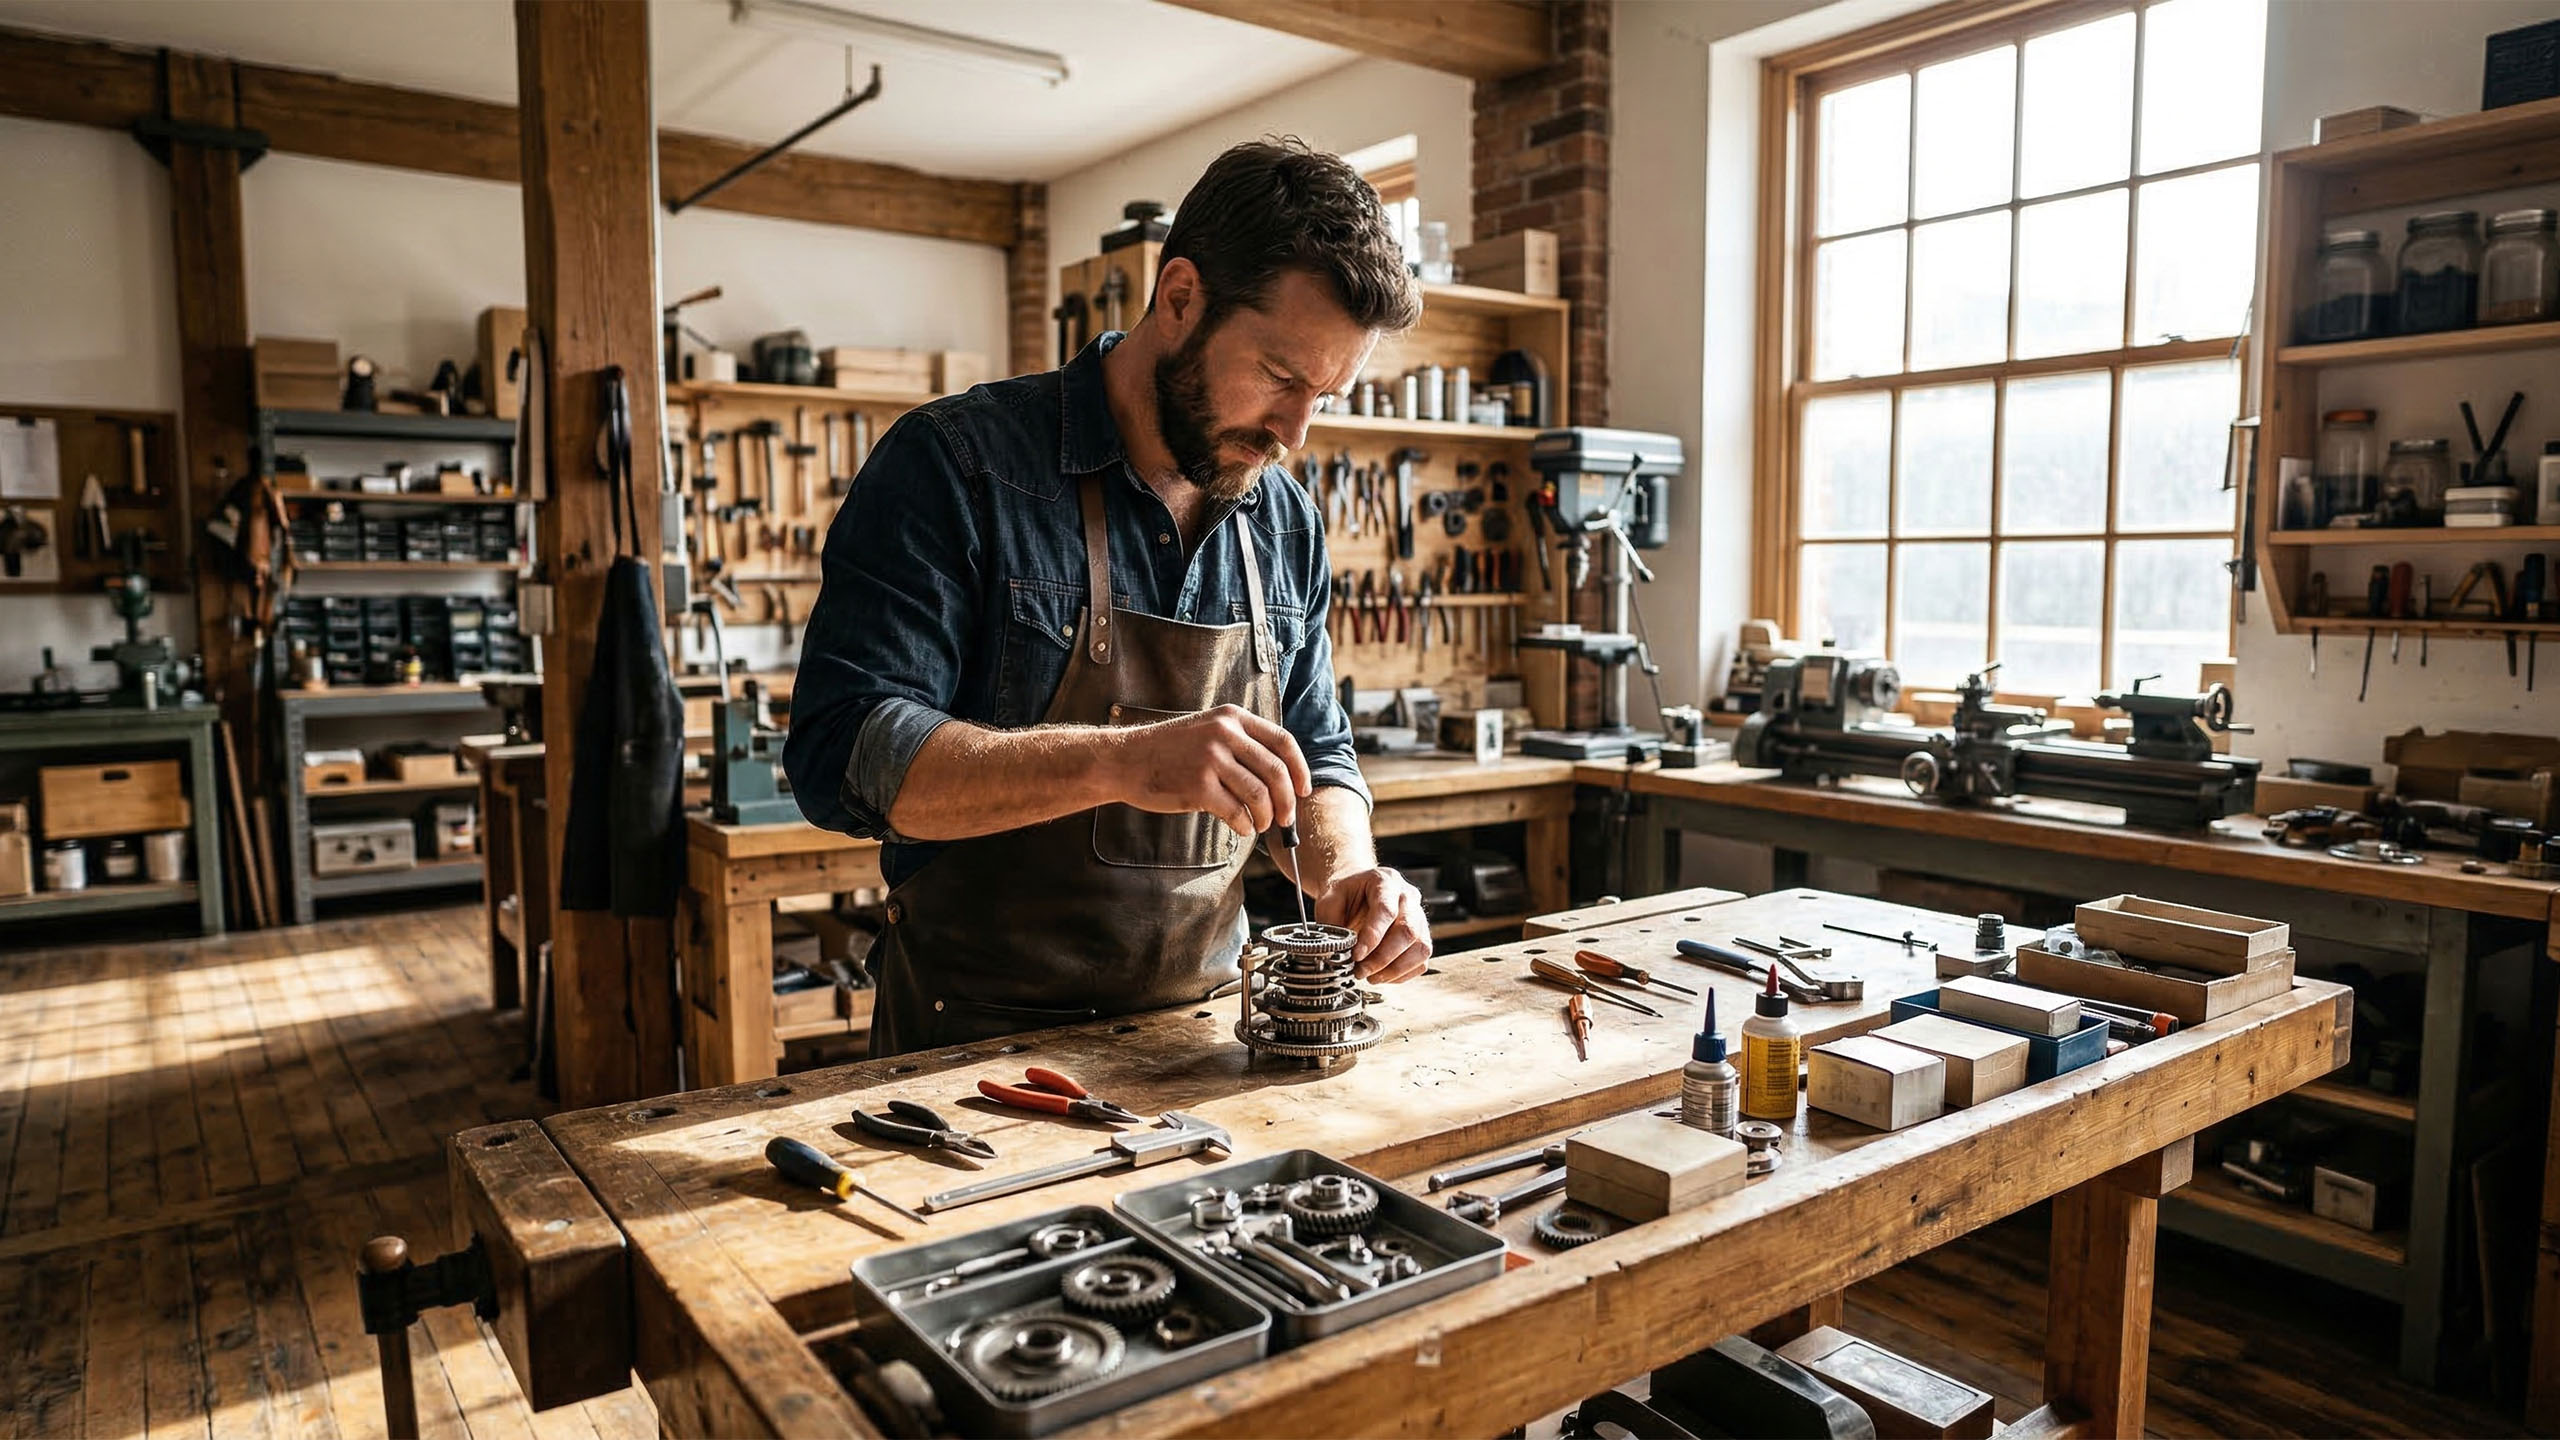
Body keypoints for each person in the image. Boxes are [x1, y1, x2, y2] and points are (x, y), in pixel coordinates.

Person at [784, 138, 1432, 1056]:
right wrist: (1121, 761)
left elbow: (1317, 754)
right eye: (1282, 378)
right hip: (972, 1051)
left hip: (1208, 1040)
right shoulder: (957, 464)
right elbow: (842, 751)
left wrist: (1349, 874)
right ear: (1180, 299)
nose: (1294, 431)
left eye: (1325, 395)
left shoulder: (1283, 518)